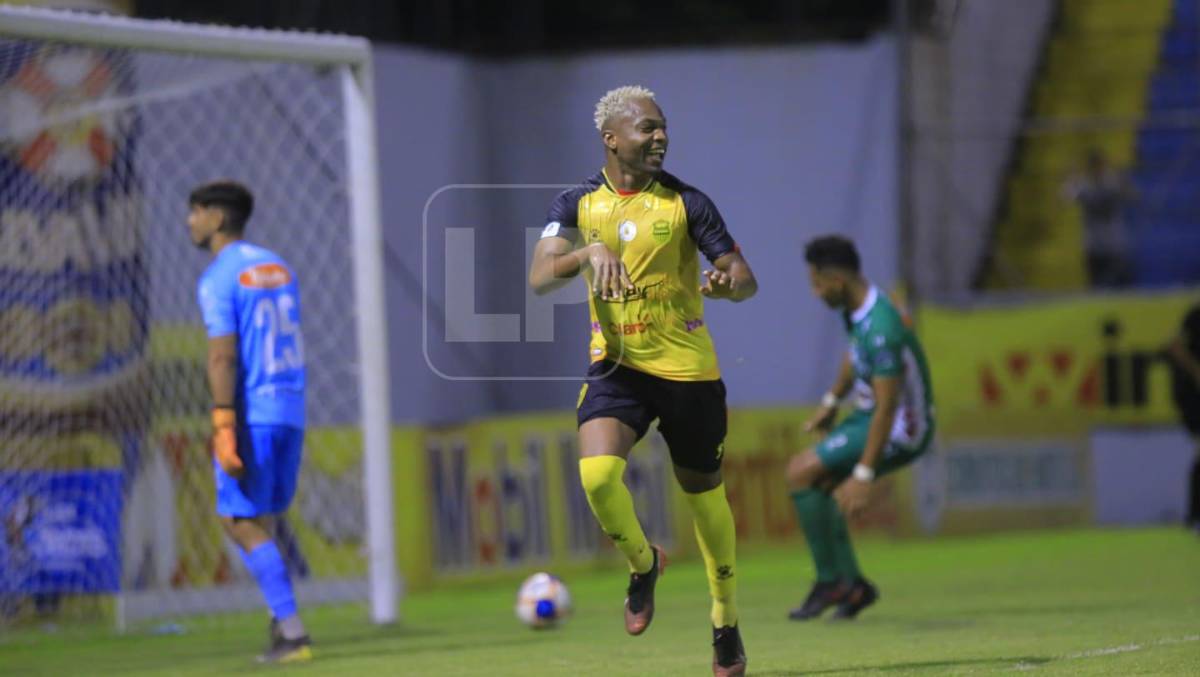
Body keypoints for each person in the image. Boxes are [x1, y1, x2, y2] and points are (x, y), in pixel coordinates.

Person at [528, 85, 758, 677]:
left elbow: (743, 275)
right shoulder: (576, 203)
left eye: (663, 128)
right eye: (647, 128)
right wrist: (588, 254)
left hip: (689, 374)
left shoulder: (687, 203)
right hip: (618, 367)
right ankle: (643, 564)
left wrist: (728, 284)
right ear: (611, 139)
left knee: (705, 499)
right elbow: (540, 276)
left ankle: (725, 619)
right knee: (598, 475)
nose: (661, 137)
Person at [189, 180, 311, 663]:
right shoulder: (279, 266)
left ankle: (292, 631)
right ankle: (280, 620)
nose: (190, 221)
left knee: (237, 519)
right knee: (262, 519)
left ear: (216, 218)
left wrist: (223, 423)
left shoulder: (218, 278)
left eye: (196, 211)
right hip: (290, 410)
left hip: (251, 414)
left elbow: (222, 357)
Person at [785, 235, 935, 621]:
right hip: (872, 413)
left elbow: (889, 405)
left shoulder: (882, 326)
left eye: (817, 284)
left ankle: (834, 582)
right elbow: (853, 356)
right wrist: (832, 401)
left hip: (903, 426)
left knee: (800, 473)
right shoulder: (857, 308)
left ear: (836, 281)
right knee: (819, 484)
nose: (816, 293)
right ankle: (850, 586)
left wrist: (864, 475)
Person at [1061, 148, 1137, 289]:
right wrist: (1071, 180)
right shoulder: (1085, 185)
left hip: (1113, 243)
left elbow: (1132, 196)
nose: (1097, 170)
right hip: (1094, 244)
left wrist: (1124, 183)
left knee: (1119, 285)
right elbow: (1066, 198)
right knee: (1097, 285)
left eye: (1099, 166)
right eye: (1094, 167)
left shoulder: (1112, 183)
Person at [1164, 301, 1200, 532]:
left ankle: (1193, 515)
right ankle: (1194, 515)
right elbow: (1174, 346)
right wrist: (1195, 371)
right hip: (1193, 396)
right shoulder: (1195, 317)